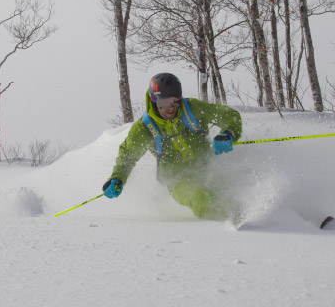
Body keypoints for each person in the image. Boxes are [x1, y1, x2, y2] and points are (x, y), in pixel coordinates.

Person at [101, 72, 243, 220]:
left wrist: (228, 133)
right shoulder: (145, 128)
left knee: (230, 194)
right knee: (199, 197)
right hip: (178, 181)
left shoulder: (192, 109)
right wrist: (117, 178)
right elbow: (127, 155)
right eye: (165, 103)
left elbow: (228, 115)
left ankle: (247, 224)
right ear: (154, 100)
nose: (171, 108)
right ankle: (225, 226)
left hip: (208, 168)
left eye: (175, 101)